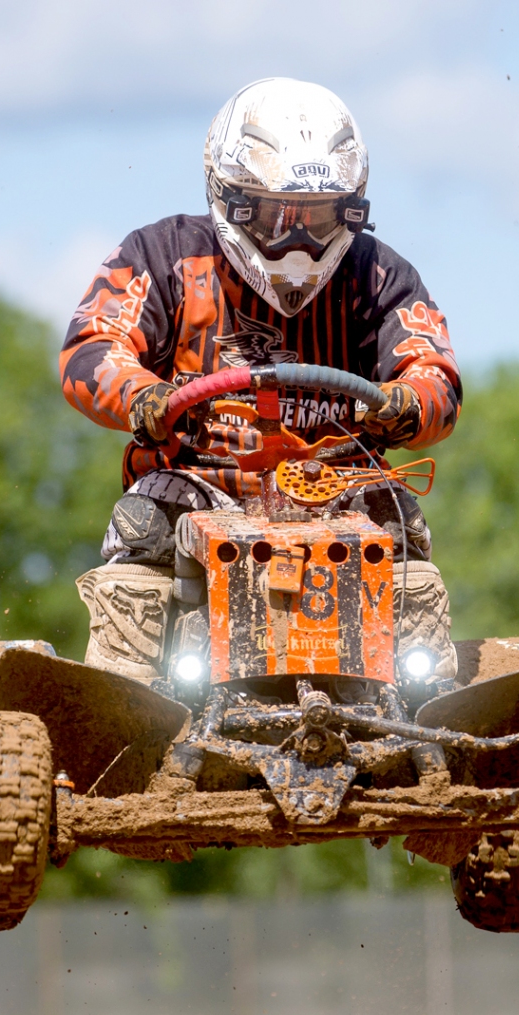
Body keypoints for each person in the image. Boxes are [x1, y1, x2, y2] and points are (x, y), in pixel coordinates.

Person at [60, 77, 462, 686]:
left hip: (339, 488)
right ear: (231, 199)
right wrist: (145, 395)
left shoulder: (379, 275)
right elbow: (93, 348)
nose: (296, 241)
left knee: (399, 525)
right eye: (277, 215)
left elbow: (434, 370)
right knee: (144, 527)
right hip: (199, 483)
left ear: (353, 208)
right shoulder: (161, 254)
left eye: (318, 218)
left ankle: (427, 701)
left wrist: (408, 402)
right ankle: (120, 708)